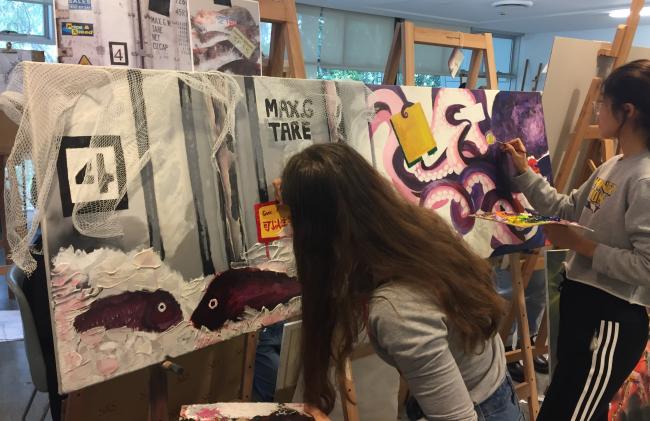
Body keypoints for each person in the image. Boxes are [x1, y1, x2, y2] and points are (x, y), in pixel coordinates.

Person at [280, 143, 523, 421]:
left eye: (292, 219)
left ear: (319, 233)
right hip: (493, 392)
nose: (288, 231)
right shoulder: (416, 235)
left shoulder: (398, 310)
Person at [502, 59, 650, 421]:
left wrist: (582, 245)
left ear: (626, 111)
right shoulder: (614, 165)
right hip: (584, 306)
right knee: (562, 405)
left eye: (603, 103)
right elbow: (566, 209)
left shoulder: (644, 178)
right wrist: (524, 172)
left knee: (574, 414)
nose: (597, 110)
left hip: (612, 318)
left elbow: (647, 267)